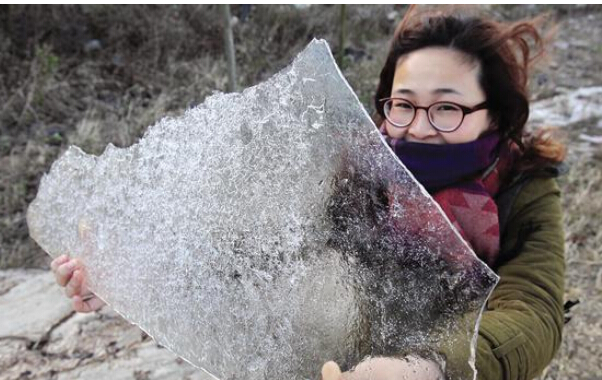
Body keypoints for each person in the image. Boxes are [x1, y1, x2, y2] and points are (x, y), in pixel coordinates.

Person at [52, 5, 566, 380]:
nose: (420, 127)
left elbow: (533, 310)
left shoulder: (523, 190)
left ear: (493, 114)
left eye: (448, 107)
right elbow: (275, 258)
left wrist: (427, 369)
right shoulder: (362, 174)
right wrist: (130, 276)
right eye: (403, 104)